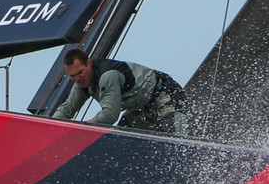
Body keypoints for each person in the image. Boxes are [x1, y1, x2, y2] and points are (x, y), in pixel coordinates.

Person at [51, 47, 185, 133]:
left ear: (89, 63)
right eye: (72, 76)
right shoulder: (82, 83)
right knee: (122, 141)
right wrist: (50, 126)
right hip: (140, 107)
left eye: (80, 72)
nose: (77, 78)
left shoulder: (107, 76)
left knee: (171, 136)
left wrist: (81, 129)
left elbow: (109, 115)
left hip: (164, 94)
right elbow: (68, 108)